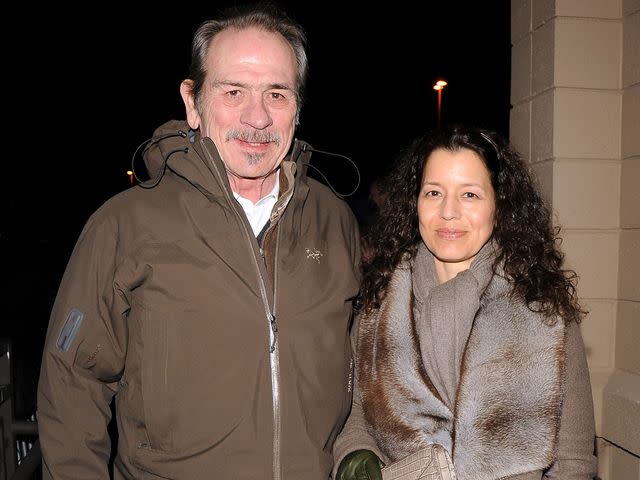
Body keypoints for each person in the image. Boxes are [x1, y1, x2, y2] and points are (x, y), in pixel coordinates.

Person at [37, 4, 360, 479]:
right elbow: (71, 388)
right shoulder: (125, 225)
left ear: (297, 108)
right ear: (193, 102)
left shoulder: (334, 223)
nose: (258, 117)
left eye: (277, 93)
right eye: (234, 92)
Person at [333, 126, 597, 480]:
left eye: (470, 195)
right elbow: (355, 416)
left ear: (499, 205)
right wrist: (355, 455)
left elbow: (574, 465)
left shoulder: (544, 311)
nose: (448, 212)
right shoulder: (377, 305)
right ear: (415, 203)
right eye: (433, 193)